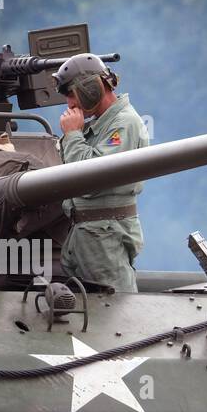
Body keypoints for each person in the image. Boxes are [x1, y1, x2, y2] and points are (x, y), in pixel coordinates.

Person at [52, 53, 148, 293]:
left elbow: (90, 178)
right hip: (89, 237)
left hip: (105, 239)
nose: (70, 104)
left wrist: (73, 135)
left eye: (72, 95)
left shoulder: (123, 123)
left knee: (115, 315)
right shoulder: (101, 123)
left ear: (90, 89)